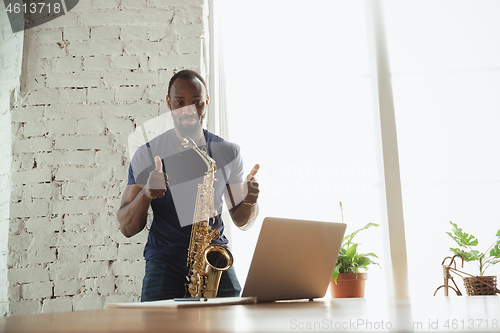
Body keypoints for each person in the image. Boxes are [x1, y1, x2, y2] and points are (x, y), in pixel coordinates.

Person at [117, 69, 260, 301]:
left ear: (207, 101)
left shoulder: (228, 152)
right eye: (180, 102)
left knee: (238, 318)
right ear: (169, 103)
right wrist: (146, 194)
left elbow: (242, 220)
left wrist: (251, 201)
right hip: (164, 258)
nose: (189, 110)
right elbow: (126, 227)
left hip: (212, 256)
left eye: (196, 102)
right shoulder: (147, 154)